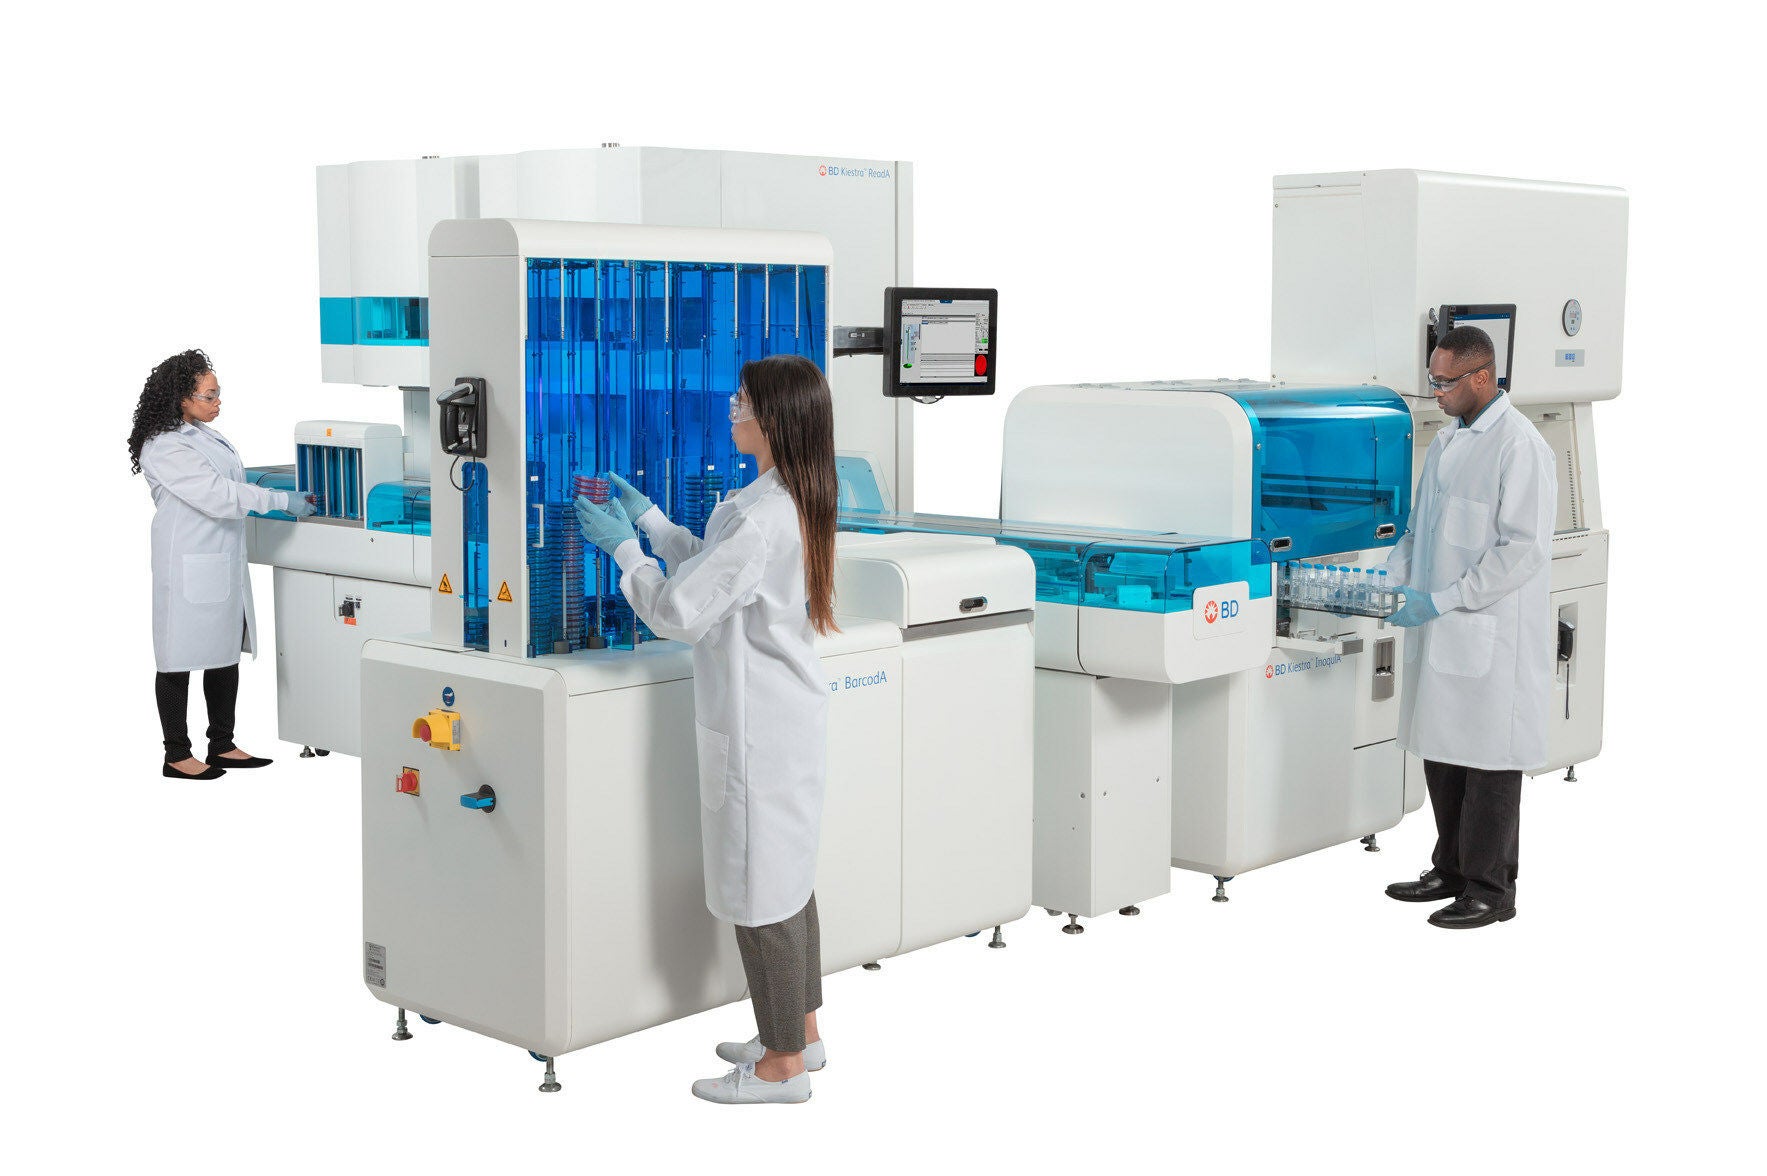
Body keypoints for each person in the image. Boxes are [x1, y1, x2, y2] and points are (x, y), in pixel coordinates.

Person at [575, 353, 837, 1104]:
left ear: (773, 419)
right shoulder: (785, 499)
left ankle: (781, 1068)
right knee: (788, 881)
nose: (731, 407)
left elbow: (679, 611)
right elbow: (716, 569)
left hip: (759, 730)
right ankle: (801, 1031)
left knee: (761, 896)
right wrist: (652, 522)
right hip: (784, 721)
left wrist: (623, 550)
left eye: (743, 399)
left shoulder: (762, 517)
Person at [1381, 326, 1556, 929]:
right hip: (1442, 626)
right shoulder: (1450, 439)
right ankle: (1451, 870)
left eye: (1445, 381)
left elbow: (1522, 551)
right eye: (1432, 379)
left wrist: (1445, 599)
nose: (1436, 392)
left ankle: (1491, 889)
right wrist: (1389, 581)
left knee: (1489, 762)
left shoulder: (1519, 445)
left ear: (1482, 376)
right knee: (1442, 749)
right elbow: (1419, 527)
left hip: (1489, 633)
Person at [131, 350, 315, 779]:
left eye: (218, 394)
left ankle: (222, 744)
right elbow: (218, 494)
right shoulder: (164, 445)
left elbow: (232, 483)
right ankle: (177, 754)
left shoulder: (202, 435)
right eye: (209, 395)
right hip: (186, 564)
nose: (218, 403)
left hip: (219, 559)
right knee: (176, 658)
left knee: (223, 653)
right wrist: (280, 500)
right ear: (181, 397)